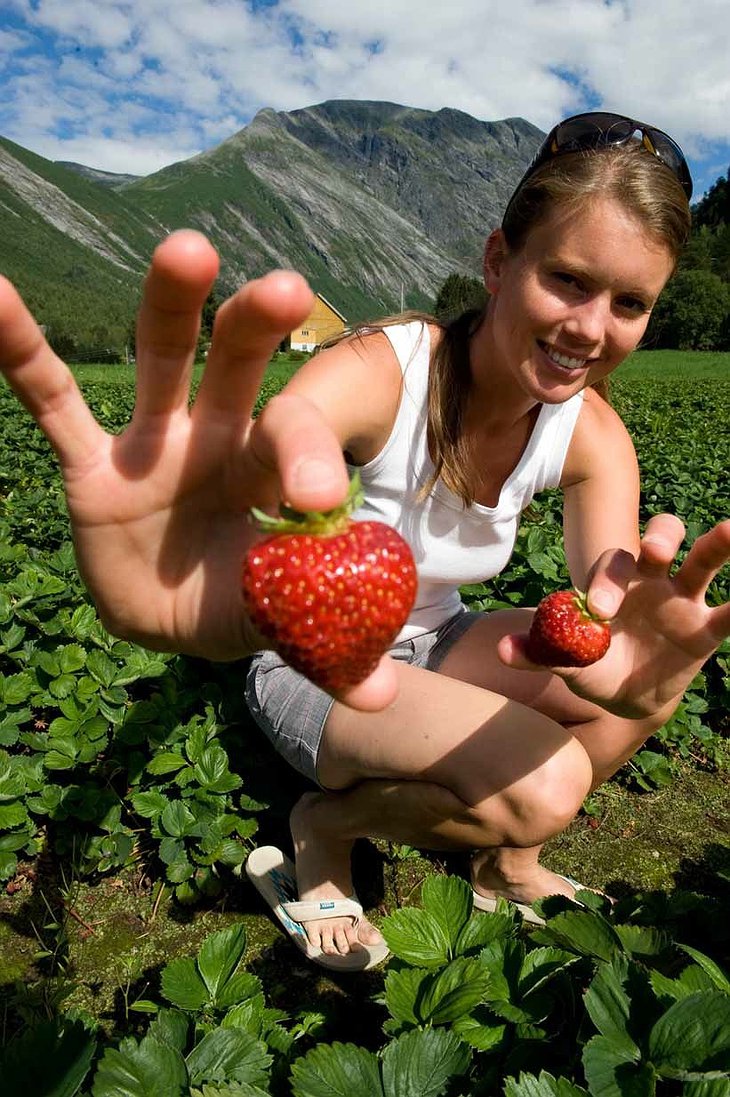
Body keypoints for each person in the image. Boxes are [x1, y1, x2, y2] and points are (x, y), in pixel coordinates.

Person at [0, 111, 728, 971]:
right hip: (319, 660)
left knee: (627, 697)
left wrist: (632, 674)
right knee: (551, 780)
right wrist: (223, 515)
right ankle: (326, 828)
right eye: (568, 279)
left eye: (631, 302)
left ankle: (507, 863)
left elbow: (600, 623)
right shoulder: (387, 371)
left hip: (442, 638)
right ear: (500, 262)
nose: (592, 328)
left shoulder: (593, 435)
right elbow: (295, 424)